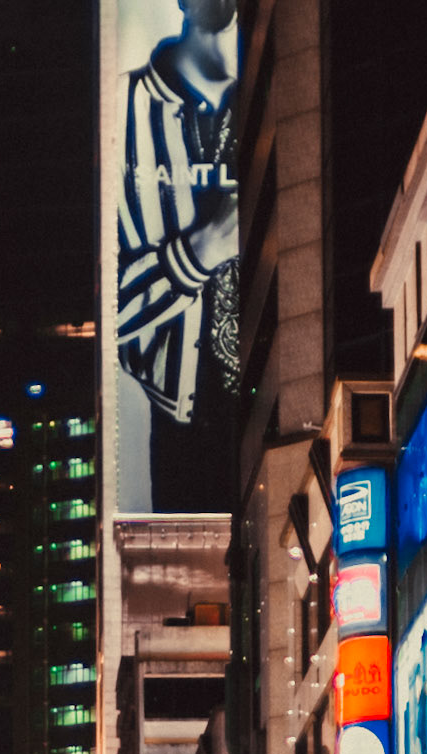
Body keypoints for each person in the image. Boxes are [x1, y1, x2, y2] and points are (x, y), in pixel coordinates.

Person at [117, 0, 240, 513]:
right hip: (183, 428)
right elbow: (110, 313)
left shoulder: (274, 94)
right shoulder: (123, 107)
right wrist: (201, 250)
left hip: (277, 415)